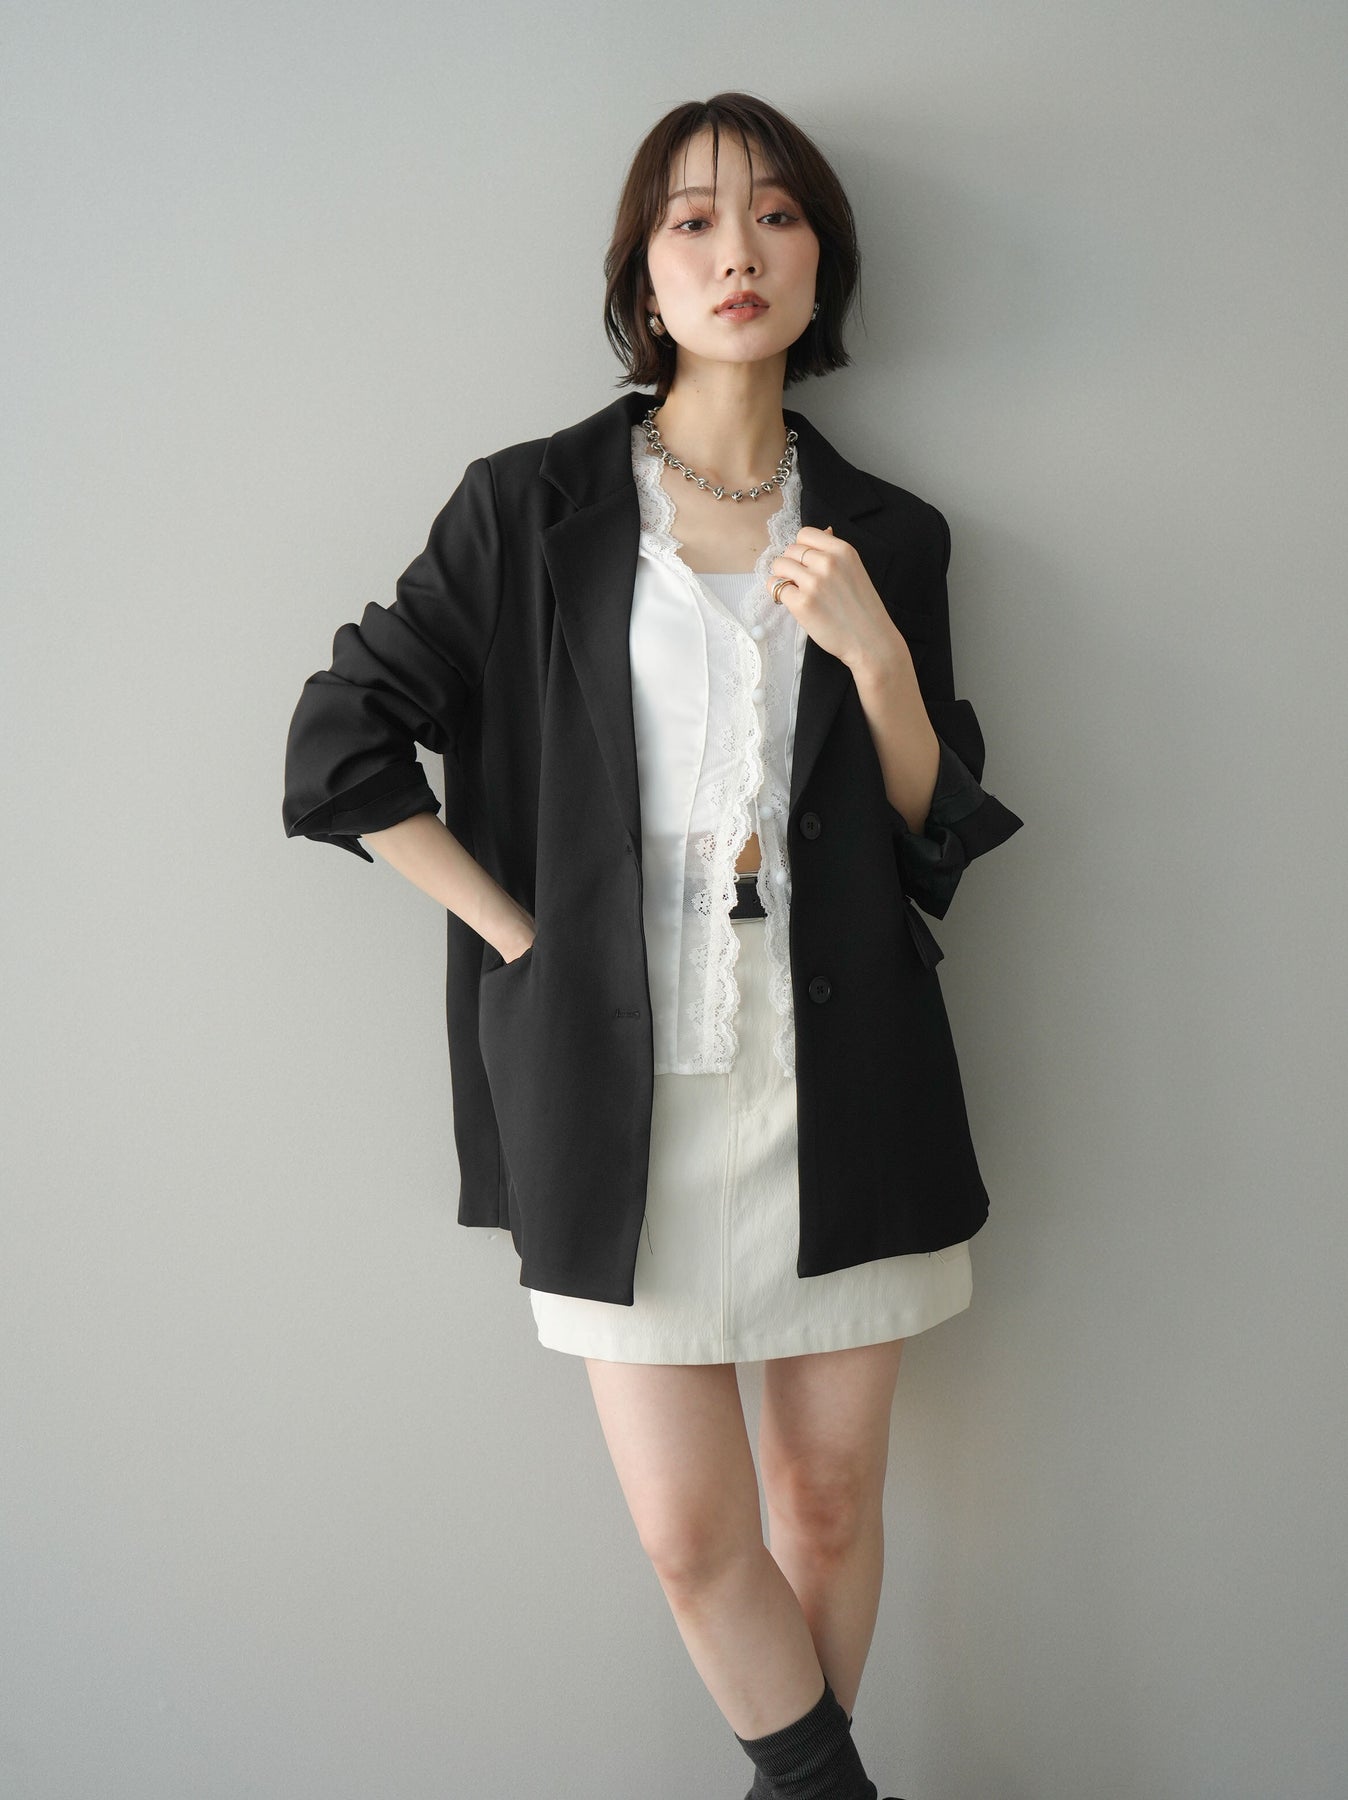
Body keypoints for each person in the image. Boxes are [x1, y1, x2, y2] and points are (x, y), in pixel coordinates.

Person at [283, 91, 1022, 1800]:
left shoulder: (891, 532)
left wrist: (877, 657)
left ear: (821, 262)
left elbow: (936, 839)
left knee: (825, 1505)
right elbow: (338, 745)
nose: (736, 250)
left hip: (844, 1077)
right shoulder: (529, 509)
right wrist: (524, 943)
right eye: (692, 221)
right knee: (694, 1538)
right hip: (618, 1090)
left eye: (774, 215)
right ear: (643, 274)